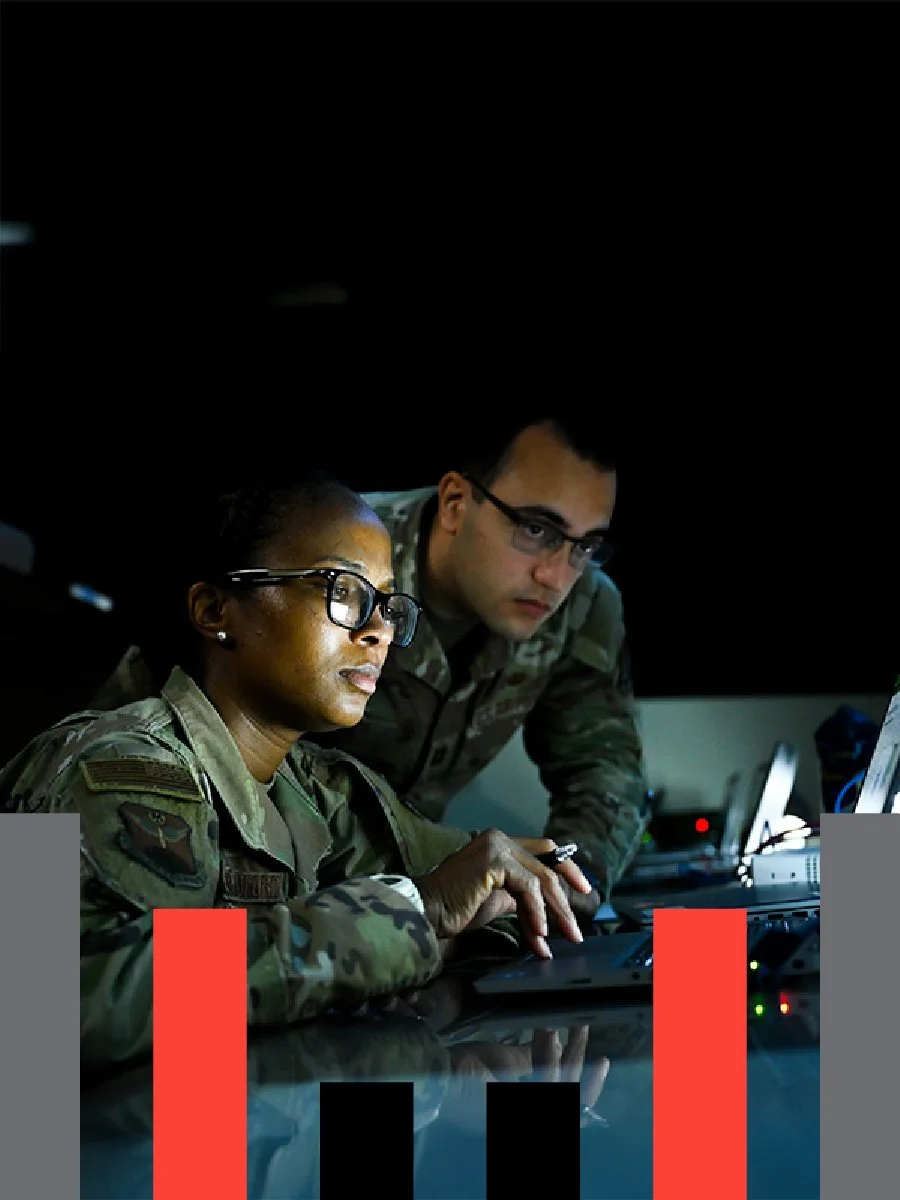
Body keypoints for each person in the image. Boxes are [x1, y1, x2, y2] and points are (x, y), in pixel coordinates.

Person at [0, 469, 590, 1072]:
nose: (379, 629)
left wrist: (457, 921)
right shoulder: (99, 767)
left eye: (387, 604)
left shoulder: (312, 792)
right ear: (213, 609)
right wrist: (416, 914)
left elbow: (494, 895)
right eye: (344, 591)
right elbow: (44, 1021)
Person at [308, 413, 649, 914]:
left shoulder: (584, 606)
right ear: (454, 503)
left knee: (704, 970)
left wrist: (571, 878)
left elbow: (603, 769)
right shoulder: (335, 557)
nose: (556, 575)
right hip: (300, 902)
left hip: (411, 917)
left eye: (585, 546)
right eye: (536, 528)